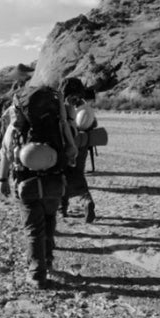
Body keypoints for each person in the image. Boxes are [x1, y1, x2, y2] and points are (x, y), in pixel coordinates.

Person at [0, 86, 75, 289]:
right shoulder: (57, 128)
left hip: (27, 185)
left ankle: (37, 274)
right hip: (55, 183)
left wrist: (3, 179)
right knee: (50, 220)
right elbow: (72, 152)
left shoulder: (14, 130)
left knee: (33, 230)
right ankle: (47, 259)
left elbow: (5, 155)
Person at [59, 77, 97, 223]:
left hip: (65, 143)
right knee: (77, 174)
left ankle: (62, 208)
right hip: (82, 143)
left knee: (61, 175)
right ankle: (86, 201)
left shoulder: (59, 103)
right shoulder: (84, 104)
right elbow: (94, 123)